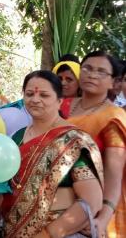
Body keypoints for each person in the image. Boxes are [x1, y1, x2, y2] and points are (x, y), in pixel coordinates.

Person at [0, 70, 104, 238]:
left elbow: (92, 201)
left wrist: (48, 234)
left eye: (44, 95)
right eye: (29, 94)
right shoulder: (18, 136)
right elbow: (14, 187)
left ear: (59, 101)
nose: (35, 100)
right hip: (13, 229)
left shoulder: (72, 141)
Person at [64, 51, 126, 237]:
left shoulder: (112, 118)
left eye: (101, 72)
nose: (92, 74)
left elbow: (114, 176)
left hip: (90, 207)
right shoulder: (62, 105)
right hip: (52, 199)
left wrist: (102, 218)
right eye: (88, 69)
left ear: (113, 82)